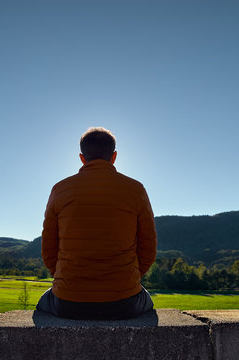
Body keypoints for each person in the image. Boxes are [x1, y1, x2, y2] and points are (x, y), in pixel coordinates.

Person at [36, 127, 157, 320]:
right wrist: (129, 279)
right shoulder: (136, 189)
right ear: (114, 156)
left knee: (41, 304)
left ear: (82, 158)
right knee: (149, 303)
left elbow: (48, 249)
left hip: (68, 301)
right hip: (124, 302)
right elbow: (148, 247)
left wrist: (66, 280)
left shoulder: (59, 189)